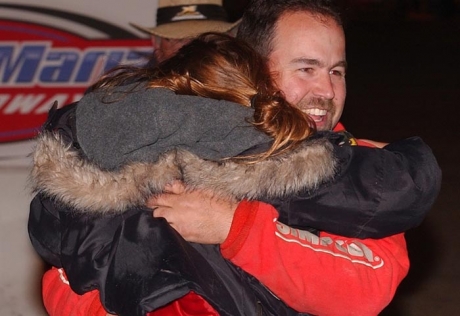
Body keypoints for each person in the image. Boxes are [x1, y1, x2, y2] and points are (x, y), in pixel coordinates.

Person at [29, 32, 440, 316]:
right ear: (263, 80)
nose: (326, 90)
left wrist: (234, 226)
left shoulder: (341, 164)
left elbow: (365, 289)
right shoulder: (135, 167)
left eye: (337, 71)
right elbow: (63, 284)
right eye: (305, 69)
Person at [130, 0, 240, 63]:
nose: (191, 47)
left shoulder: (249, 93)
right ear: (157, 45)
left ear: (228, 41)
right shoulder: (130, 98)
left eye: (204, 38)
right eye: (180, 39)